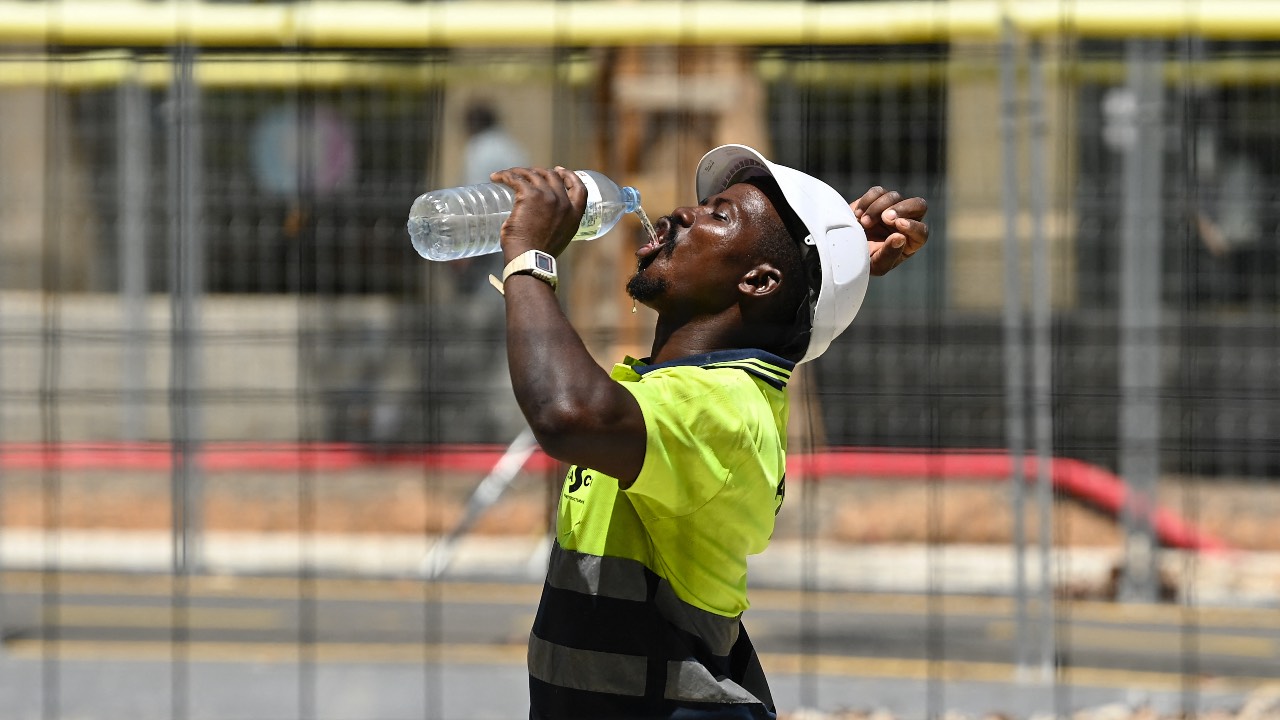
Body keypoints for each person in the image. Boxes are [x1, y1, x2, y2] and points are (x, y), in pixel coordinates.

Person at [488, 145, 928, 719]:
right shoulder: (694, 391)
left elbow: (569, 414)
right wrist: (833, 255)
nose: (681, 214)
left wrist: (529, 259)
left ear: (758, 280)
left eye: (719, 217)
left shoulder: (721, 409)